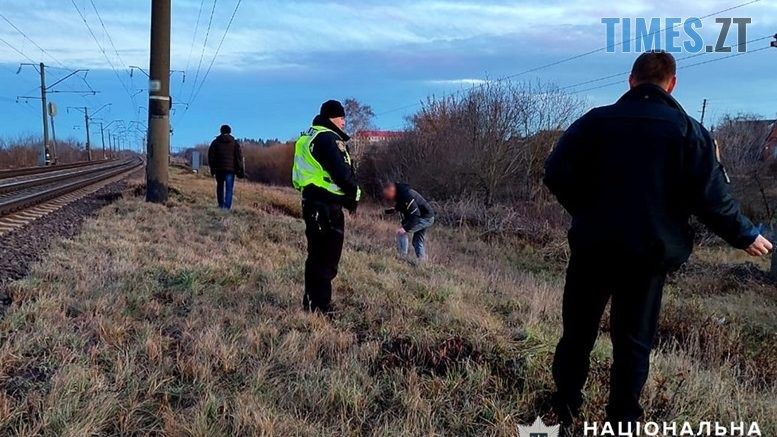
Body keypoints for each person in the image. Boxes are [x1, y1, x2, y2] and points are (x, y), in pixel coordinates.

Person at [544, 51, 773, 426]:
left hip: (593, 248)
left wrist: (586, 211)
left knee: (577, 334)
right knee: (633, 344)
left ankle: (564, 407)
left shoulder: (595, 122)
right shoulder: (688, 131)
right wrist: (744, 234)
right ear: (672, 84)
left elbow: (555, 173)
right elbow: (711, 197)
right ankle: (623, 421)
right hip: (648, 256)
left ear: (631, 81)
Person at [292, 100, 361, 314]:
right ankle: (321, 308)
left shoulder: (308, 137)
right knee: (327, 259)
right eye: (341, 117)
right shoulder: (329, 139)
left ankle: (311, 303)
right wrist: (354, 195)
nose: (344, 121)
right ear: (332, 117)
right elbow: (342, 173)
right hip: (327, 206)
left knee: (315, 255)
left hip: (311, 201)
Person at [382, 182, 435, 262]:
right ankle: (422, 262)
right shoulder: (400, 193)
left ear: (392, 190)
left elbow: (415, 214)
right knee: (417, 241)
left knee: (401, 233)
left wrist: (405, 228)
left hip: (425, 218)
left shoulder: (406, 195)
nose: (387, 197)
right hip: (427, 216)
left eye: (387, 194)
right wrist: (395, 209)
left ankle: (402, 258)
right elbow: (404, 205)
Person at [207, 124, 244, 209]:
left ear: (221, 131)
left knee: (220, 187)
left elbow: (211, 157)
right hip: (230, 169)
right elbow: (239, 157)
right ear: (230, 131)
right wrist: (240, 169)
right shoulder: (234, 143)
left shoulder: (215, 142)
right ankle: (227, 207)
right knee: (229, 188)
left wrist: (212, 169)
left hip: (219, 169)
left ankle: (221, 205)